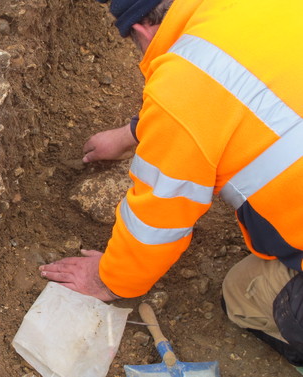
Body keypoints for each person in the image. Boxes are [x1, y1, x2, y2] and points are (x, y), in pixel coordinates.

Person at [38, 0, 303, 372]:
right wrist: (133, 132)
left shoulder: (184, 84)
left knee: (242, 292)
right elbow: (247, 91)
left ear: (142, 31)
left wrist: (107, 279)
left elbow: (158, 219)